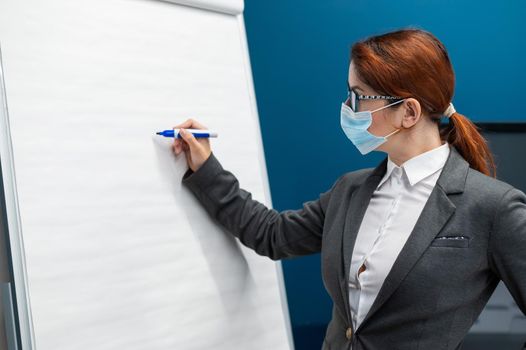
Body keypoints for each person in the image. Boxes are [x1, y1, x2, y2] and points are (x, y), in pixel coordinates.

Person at [172, 28, 526, 350]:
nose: (346, 109)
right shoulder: (351, 190)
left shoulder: (494, 208)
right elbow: (272, 234)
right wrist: (206, 168)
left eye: (358, 97)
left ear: (409, 112)